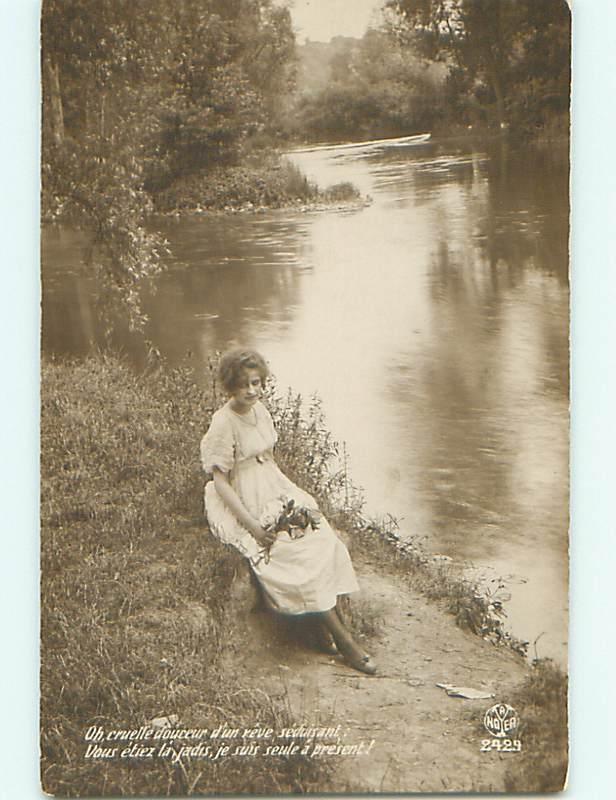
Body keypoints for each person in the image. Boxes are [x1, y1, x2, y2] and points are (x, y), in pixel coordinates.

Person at [200, 348, 377, 675]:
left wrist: (286, 494)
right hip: (240, 494)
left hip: (270, 483)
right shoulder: (223, 422)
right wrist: (253, 525)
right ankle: (345, 642)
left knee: (323, 538)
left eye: (256, 383)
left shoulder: (260, 411)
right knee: (287, 554)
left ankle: (318, 629)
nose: (252, 391)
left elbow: (267, 457)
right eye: (243, 385)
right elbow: (220, 481)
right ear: (229, 386)